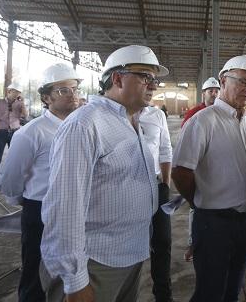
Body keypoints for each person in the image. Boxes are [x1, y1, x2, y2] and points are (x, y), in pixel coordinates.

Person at [39, 45, 168, 302]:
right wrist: (76, 282)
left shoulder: (132, 122)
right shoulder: (85, 125)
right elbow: (65, 208)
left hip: (129, 254)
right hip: (95, 262)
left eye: (155, 79)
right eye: (145, 76)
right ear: (118, 79)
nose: (153, 85)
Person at [172, 55, 246, 302]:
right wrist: (200, 200)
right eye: (242, 82)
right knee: (210, 292)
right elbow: (180, 172)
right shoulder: (203, 121)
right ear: (223, 81)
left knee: (232, 289)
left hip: (245, 222)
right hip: (214, 224)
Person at [0, 64, 81, 302]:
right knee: (35, 273)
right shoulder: (32, 133)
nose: (73, 94)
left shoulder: (82, 128)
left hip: (75, 210)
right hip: (40, 210)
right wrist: (24, 202)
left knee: (71, 273)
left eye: (74, 88)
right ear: (46, 97)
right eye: (63, 90)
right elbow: (11, 178)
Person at [180, 76, 221, 262]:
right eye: (210, 91)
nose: (214, 93)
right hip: (199, 166)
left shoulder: (223, 112)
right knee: (196, 206)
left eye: (216, 91)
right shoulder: (194, 114)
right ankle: (193, 242)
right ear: (203, 93)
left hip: (218, 167)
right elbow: (185, 142)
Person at [140, 103, 173, 302]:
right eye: (145, 78)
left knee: (163, 241)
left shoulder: (157, 115)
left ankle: (163, 294)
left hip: (156, 184)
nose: (151, 85)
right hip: (126, 186)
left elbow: (165, 149)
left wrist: (165, 185)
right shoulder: (105, 116)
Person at [0, 82, 28, 191]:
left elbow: (25, 116)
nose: (17, 94)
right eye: (15, 91)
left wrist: (23, 103)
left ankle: (14, 182)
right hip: (0, 133)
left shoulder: (20, 104)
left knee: (16, 158)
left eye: (19, 92)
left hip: (15, 132)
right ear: (9, 91)